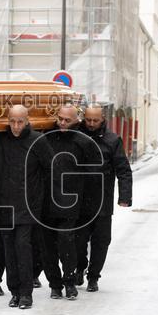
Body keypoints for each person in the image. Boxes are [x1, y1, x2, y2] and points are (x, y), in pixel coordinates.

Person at [0, 105, 54, 310]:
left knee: (23, 248)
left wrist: (41, 198)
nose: (15, 126)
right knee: (9, 250)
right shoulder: (0, 140)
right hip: (5, 204)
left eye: (20, 122)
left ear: (27, 120)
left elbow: (51, 168)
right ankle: (14, 292)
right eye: (12, 121)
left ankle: (26, 294)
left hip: (28, 205)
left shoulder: (37, 140)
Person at [39, 105, 99, 300]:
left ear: (76, 121)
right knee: (47, 246)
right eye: (60, 119)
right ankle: (55, 284)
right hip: (46, 201)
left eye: (67, 120)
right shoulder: (46, 137)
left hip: (71, 203)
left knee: (67, 243)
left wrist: (85, 204)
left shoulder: (84, 142)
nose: (63, 123)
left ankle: (70, 282)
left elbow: (93, 174)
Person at [73, 105, 133, 292]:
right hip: (78, 201)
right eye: (88, 120)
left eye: (95, 120)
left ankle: (93, 276)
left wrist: (125, 196)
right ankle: (79, 267)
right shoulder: (75, 136)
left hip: (102, 201)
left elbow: (123, 170)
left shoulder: (112, 140)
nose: (91, 124)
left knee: (101, 241)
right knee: (77, 240)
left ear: (103, 119)